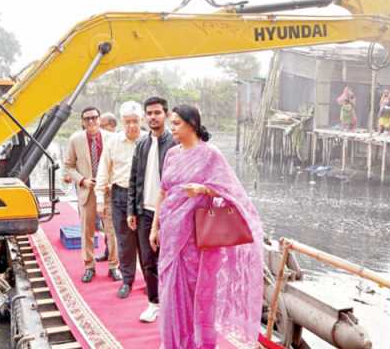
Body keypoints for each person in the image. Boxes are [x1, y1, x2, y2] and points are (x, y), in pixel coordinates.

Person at [150, 104, 264, 348]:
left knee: (197, 292)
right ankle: (174, 342)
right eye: (172, 123)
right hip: (171, 233)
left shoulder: (210, 154)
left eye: (177, 123)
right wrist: (154, 227)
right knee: (171, 290)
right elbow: (162, 191)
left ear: (192, 124)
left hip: (196, 237)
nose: (172, 128)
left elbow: (232, 192)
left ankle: (198, 343)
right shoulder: (171, 153)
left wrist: (203, 189)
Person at [127, 96, 175, 322]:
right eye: (150, 113)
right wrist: (131, 210)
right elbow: (134, 178)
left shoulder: (175, 143)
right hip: (144, 211)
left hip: (171, 213)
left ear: (165, 114)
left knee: (171, 259)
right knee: (147, 260)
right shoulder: (142, 144)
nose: (153, 117)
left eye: (157, 112)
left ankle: (174, 303)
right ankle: (153, 303)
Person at [95, 101, 144, 298]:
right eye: (127, 122)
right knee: (124, 241)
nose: (132, 125)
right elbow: (103, 170)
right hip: (119, 195)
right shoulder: (113, 142)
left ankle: (151, 282)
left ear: (141, 120)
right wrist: (99, 198)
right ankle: (127, 281)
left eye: (135, 121)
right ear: (122, 122)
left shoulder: (149, 141)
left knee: (146, 243)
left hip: (143, 196)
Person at [64, 107, 118, 283]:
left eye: (94, 117)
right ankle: (89, 266)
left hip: (108, 191)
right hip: (87, 191)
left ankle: (113, 266)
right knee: (87, 231)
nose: (91, 121)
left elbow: (119, 163)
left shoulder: (111, 138)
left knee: (111, 231)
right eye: (87, 118)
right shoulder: (75, 139)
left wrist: (112, 182)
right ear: (82, 121)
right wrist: (82, 180)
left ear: (100, 119)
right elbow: (68, 166)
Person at [95, 112, 119, 263]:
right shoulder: (102, 141)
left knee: (116, 229)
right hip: (103, 191)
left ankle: (116, 259)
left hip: (117, 191)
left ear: (113, 126)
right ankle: (108, 251)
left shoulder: (119, 143)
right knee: (107, 226)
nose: (101, 130)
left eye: (103, 126)